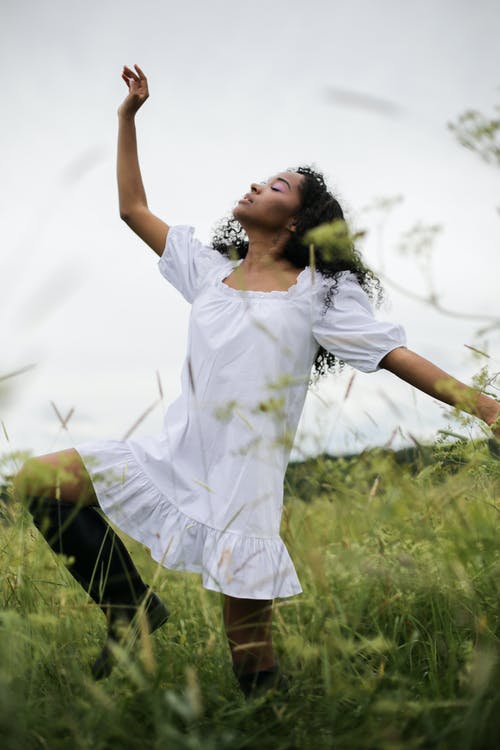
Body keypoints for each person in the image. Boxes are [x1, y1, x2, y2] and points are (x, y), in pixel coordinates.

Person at [14, 65, 500, 696]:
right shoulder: (207, 270)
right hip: (171, 457)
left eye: (276, 184)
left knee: (249, 652)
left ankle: (267, 722)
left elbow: (394, 355)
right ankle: (128, 610)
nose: (254, 185)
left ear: (296, 220)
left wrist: (487, 408)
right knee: (38, 479)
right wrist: (126, 119)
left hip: (243, 487)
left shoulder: (320, 293)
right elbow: (132, 208)